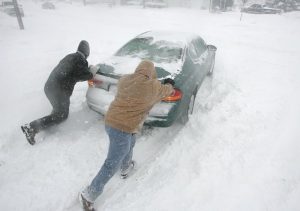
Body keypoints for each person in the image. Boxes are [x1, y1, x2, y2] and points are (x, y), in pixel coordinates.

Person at [78, 60, 175, 211]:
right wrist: (169, 83)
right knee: (111, 164)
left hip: (112, 121)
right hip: (121, 127)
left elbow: (139, 88)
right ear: (152, 73)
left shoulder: (125, 80)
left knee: (130, 142)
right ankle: (89, 194)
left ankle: (125, 167)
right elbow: (168, 91)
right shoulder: (153, 87)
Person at [21, 40, 96, 145]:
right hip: (59, 90)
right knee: (62, 115)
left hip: (49, 87)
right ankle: (31, 128)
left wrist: (86, 71)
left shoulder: (71, 56)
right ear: (87, 53)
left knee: (58, 110)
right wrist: (91, 73)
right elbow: (81, 75)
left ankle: (47, 125)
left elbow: (74, 72)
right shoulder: (80, 60)